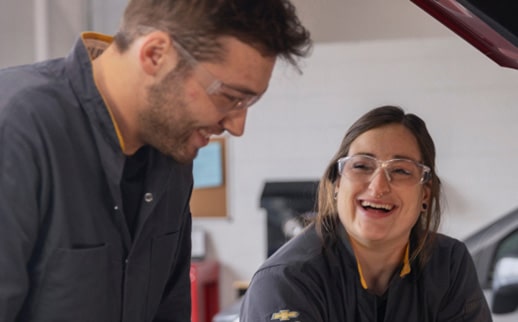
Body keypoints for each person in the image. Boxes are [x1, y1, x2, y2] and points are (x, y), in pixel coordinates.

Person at [0, 1, 311, 321]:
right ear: (155, 55)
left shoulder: (171, 155)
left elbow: (169, 309)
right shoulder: (17, 127)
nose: (237, 126)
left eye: (249, 103)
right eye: (230, 97)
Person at [240, 105, 492, 321]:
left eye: (401, 170)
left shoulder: (448, 264)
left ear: (425, 193)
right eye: (361, 165)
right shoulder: (286, 281)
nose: (378, 186)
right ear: (338, 184)